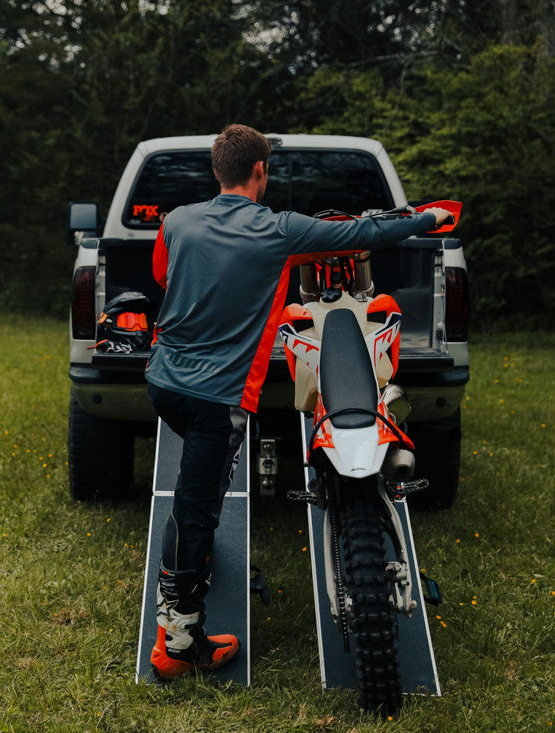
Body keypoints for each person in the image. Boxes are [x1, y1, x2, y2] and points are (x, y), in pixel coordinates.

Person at [146, 123, 453, 680]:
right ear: (261, 172)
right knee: (197, 511)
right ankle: (179, 642)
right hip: (216, 399)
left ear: (217, 172)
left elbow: (165, 276)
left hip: (163, 384)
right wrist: (429, 218)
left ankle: (192, 566)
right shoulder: (279, 229)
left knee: (196, 490)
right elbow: (363, 233)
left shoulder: (176, 221)